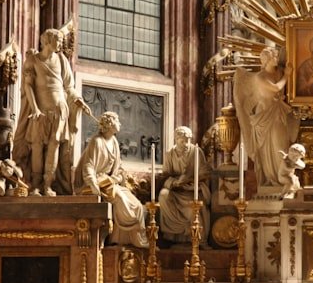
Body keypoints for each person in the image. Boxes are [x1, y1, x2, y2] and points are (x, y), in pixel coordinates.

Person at [13, 28, 91, 196]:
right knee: (37, 146)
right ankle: (35, 185)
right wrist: (34, 109)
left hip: (59, 110)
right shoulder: (32, 60)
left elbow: (69, 86)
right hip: (39, 111)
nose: (61, 43)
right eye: (58, 40)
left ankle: (48, 185)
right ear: (48, 40)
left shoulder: (62, 60)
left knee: (54, 146)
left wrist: (78, 99)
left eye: (62, 40)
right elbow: (28, 86)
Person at [74, 112, 147, 247]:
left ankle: (122, 239)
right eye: (117, 121)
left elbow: (118, 166)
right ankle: (125, 239)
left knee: (136, 204)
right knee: (120, 199)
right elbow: (88, 166)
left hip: (109, 181)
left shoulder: (113, 141)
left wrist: (118, 176)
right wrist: (93, 184)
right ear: (109, 124)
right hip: (95, 183)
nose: (119, 124)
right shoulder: (97, 142)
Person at [233, 45, 300, 187]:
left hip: (278, 112)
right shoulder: (260, 77)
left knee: (282, 143)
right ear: (267, 60)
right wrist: (287, 75)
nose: (276, 58)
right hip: (265, 115)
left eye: (276, 56)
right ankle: (272, 179)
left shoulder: (279, 72)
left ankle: (284, 177)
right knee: (270, 148)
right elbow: (276, 88)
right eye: (273, 57)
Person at [158, 126, 211, 244]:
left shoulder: (196, 152)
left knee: (192, 209)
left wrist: (189, 181)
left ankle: (195, 236)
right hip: (175, 189)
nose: (186, 143)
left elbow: (205, 173)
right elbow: (165, 175)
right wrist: (175, 182)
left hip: (192, 189)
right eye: (183, 141)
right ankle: (174, 231)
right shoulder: (169, 154)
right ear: (176, 140)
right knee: (163, 195)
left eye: (188, 140)